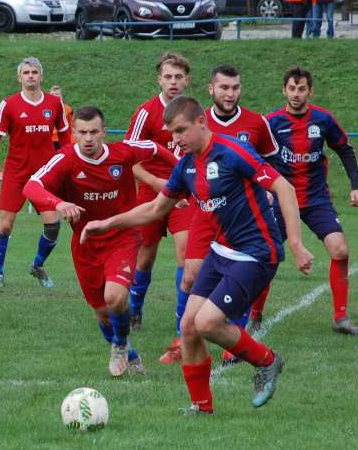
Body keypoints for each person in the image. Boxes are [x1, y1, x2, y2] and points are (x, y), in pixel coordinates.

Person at [83, 96, 314, 414]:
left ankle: (268, 362)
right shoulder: (187, 166)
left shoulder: (232, 151)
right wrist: (106, 223)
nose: (175, 139)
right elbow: (154, 209)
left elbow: (283, 188)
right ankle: (201, 407)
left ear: (201, 122)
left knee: (207, 323)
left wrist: (297, 243)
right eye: (171, 132)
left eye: (180, 130)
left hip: (256, 253)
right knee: (189, 326)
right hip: (222, 252)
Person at [23, 106, 176, 376]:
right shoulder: (66, 160)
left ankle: (118, 344)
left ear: (104, 132)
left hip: (122, 237)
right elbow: (31, 186)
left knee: (114, 297)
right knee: (103, 313)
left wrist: (180, 177)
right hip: (85, 244)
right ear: (73, 134)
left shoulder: (122, 152)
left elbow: (155, 148)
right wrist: (58, 203)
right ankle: (127, 350)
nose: (88, 138)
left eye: (94, 131)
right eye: (82, 132)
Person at [183, 65, 280, 364]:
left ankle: (233, 338)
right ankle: (186, 335)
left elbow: (271, 165)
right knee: (190, 278)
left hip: (241, 215)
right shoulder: (194, 123)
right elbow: (186, 168)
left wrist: (269, 189)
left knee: (241, 269)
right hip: (204, 213)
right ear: (211, 89)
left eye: (235, 87)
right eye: (224, 87)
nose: (230, 93)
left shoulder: (255, 123)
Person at [265, 67, 358, 336]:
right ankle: (254, 315)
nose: (296, 94)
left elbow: (344, 150)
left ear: (310, 91)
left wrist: (356, 187)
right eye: (291, 88)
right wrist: (262, 187)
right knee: (267, 256)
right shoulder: (271, 122)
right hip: (280, 198)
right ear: (284, 90)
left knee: (340, 250)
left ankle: (341, 317)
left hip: (315, 198)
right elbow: (254, 157)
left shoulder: (323, 119)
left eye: (301, 89)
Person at [124, 51, 191, 364]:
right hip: (150, 193)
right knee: (145, 257)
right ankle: (134, 309)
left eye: (179, 77)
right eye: (168, 76)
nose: (173, 82)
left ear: (187, 80)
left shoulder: (194, 113)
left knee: (185, 254)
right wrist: (155, 182)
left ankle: (181, 330)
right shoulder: (145, 113)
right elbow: (128, 160)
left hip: (184, 196)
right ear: (159, 79)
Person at [0, 57, 71, 289]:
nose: (31, 76)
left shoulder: (55, 104)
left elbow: (65, 136)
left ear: (41, 76)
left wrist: (64, 163)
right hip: (16, 172)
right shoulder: (9, 104)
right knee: (5, 225)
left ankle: (37, 265)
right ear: (19, 78)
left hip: (44, 175)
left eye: (35, 72)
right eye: (26, 72)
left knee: (53, 225)